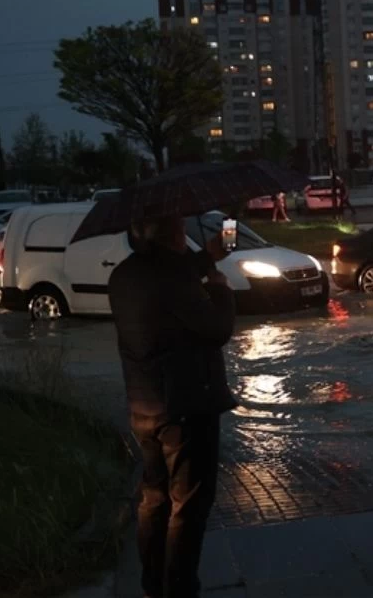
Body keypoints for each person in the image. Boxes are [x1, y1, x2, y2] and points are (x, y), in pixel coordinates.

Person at [109, 215, 237, 598]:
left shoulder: (125, 275)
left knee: (154, 496)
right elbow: (217, 329)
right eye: (180, 228)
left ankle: (154, 583)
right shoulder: (174, 280)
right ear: (172, 236)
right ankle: (179, 587)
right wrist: (220, 289)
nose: (185, 233)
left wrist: (206, 258)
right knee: (189, 503)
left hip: (145, 404)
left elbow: (169, 280)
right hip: (186, 404)